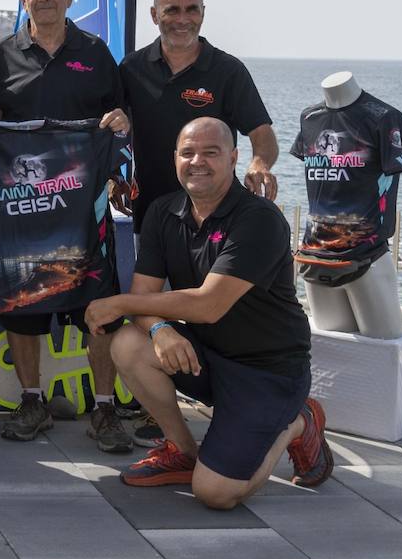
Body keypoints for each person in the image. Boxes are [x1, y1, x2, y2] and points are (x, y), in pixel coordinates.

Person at [84, 117, 330, 508]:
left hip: (267, 371)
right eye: (188, 153)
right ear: (174, 159)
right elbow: (145, 294)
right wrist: (161, 329)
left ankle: (298, 422)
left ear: (233, 158)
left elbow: (208, 305)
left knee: (215, 494)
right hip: (208, 358)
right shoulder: (163, 211)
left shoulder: (259, 220)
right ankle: (183, 451)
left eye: (211, 152)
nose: (197, 161)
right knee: (129, 342)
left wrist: (119, 304)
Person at [0, 0, 132, 452]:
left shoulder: (96, 52)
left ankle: (105, 409)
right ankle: (32, 399)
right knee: (21, 304)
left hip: (83, 209)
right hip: (21, 209)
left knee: (97, 306)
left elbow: (119, 113)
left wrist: (121, 125)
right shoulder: (1, 55)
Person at [120, 0, 276, 224]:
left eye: (191, 10)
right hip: (150, 213)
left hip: (217, 215)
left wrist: (260, 163)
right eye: (172, 10)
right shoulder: (131, 68)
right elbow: (113, 130)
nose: (182, 19)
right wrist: (113, 175)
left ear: (202, 13)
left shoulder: (228, 71)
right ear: (154, 14)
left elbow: (263, 135)